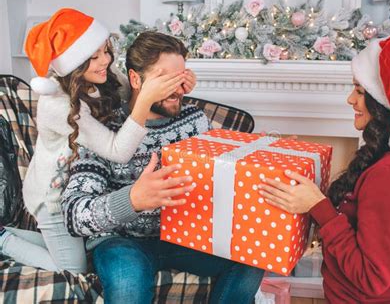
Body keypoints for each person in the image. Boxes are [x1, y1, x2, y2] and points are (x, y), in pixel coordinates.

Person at [61, 31, 264, 304]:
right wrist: (132, 200)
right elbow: (74, 214)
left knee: (253, 254)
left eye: (181, 78)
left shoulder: (195, 121)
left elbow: (228, 168)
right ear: (135, 80)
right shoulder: (103, 129)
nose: (178, 89)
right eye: (165, 79)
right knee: (127, 287)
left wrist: (265, 151)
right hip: (121, 241)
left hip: (184, 237)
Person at [259, 35, 390, 303]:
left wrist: (319, 207)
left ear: (386, 101)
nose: (350, 100)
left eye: (360, 91)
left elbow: (370, 278)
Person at [0, 8, 197, 274]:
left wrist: (175, 85)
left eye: (106, 50)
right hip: (54, 197)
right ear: (74, 64)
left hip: (78, 184)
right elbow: (117, 150)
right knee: (75, 270)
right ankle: (4, 239)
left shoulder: (102, 75)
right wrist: (148, 98)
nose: (105, 60)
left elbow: (136, 88)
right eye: (94, 57)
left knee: (81, 253)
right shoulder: (58, 105)